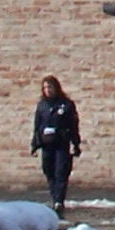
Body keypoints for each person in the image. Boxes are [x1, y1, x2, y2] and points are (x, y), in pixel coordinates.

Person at [30, 75, 82, 214]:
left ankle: (59, 200)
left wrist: (75, 143)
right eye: (45, 88)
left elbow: (73, 124)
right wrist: (35, 145)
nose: (48, 90)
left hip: (61, 143)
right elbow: (37, 125)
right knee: (49, 170)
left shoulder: (66, 104)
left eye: (50, 87)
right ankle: (54, 198)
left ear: (56, 88)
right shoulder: (42, 106)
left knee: (61, 171)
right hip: (47, 144)